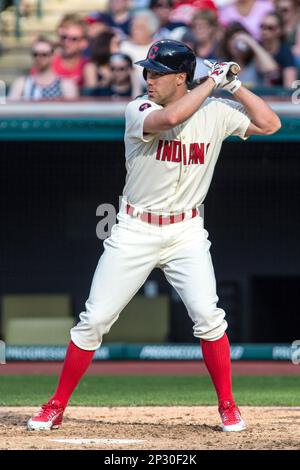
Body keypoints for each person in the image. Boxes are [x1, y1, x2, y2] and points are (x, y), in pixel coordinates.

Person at [27, 39, 280, 432]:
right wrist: (210, 83)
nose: (148, 78)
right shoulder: (139, 108)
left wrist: (234, 86)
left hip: (186, 231)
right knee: (94, 320)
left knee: (210, 318)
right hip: (135, 228)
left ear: (181, 77)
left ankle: (228, 405)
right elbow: (169, 120)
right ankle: (55, 404)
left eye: (158, 73)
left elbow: (270, 124)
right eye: (147, 71)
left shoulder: (215, 110)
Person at [9, 36, 78, 100]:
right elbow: (11, 111)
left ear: (53, 56)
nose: (39, 58)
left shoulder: (65, 85)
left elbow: (73, 111)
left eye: (44, 54)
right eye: (35, 54)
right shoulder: (22, 83)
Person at [218, 22, 279, 88]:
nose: (236, 43)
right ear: (227, 43)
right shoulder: (222, 65)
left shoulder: (256, 63)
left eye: (241, 40)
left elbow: (272, 69)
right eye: (233, 39)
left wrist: (251, 42)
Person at [260, 11, 297, 87]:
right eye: (262, 26)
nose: (265, 31)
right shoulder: (256, 46)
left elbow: (289, 86)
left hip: (277, 97)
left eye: (270, 28)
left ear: (280, 30)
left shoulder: (285, 51)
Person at [53, 19, 88, 88]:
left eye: (73, 39)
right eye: (64, 37)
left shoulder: (88, 66)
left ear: (84, 43)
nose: (67, 42)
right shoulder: (49, 64)